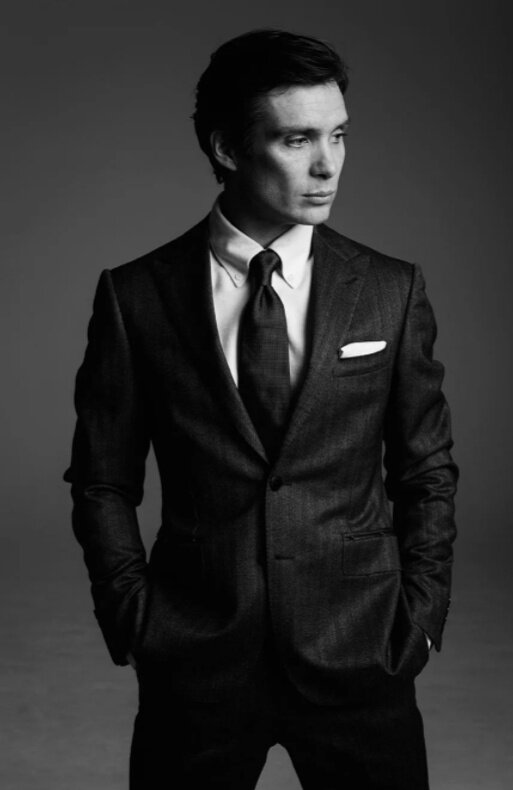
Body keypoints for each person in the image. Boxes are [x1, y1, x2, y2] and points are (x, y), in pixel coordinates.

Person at [64, 29, 458, 790]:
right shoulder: (136, 295)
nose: (327, 164)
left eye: (339, 135)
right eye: (296, 139)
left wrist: (422, 615)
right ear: (227, 148)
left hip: (359, 649)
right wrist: (132, 616)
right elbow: (101, 480)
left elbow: (426, 470)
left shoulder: (390, 289)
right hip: (196, 657)